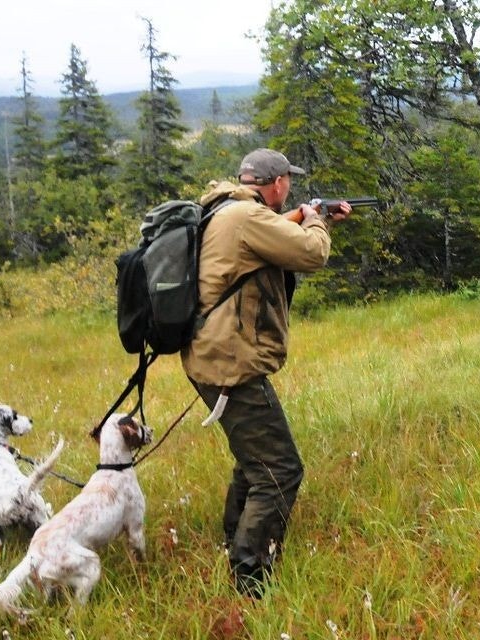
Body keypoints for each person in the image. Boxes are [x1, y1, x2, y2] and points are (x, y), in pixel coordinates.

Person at [181, 148, 350, 597]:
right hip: (229, 363)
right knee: (280, 469)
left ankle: (235, 544)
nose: (289, 188)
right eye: (287, 182)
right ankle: (250, 578)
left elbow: (267, 239)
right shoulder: (248, 218)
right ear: (276, 184)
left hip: (215, 357)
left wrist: (302, 215)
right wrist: (316, 218)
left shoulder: (228, 209)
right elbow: (313, 254)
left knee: (254, 460)